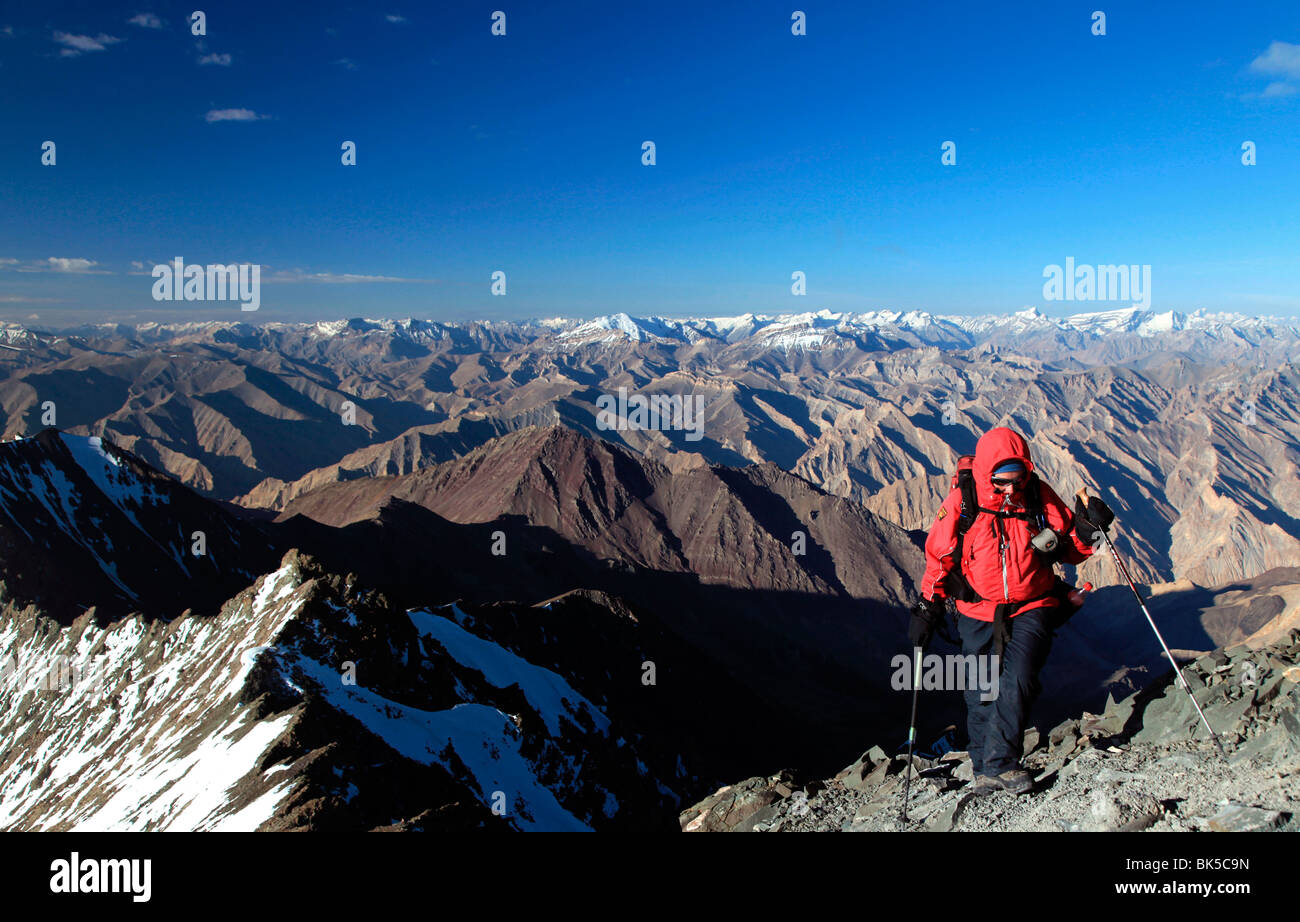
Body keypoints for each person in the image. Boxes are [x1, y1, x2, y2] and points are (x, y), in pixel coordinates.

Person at [908, 426, 1114, 796]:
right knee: (980, 689)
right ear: (988, 473)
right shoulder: (963, 501)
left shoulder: (1037, 495)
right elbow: (939, 555)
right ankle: (983, 767)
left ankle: (1002, 762)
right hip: (976, 607)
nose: (1010, 490)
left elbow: (1067, 548)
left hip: (1032, 602)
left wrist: (1091, 532)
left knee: (1019, 678)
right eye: (1002, 482)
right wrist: (928, 605)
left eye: (1017, 480)